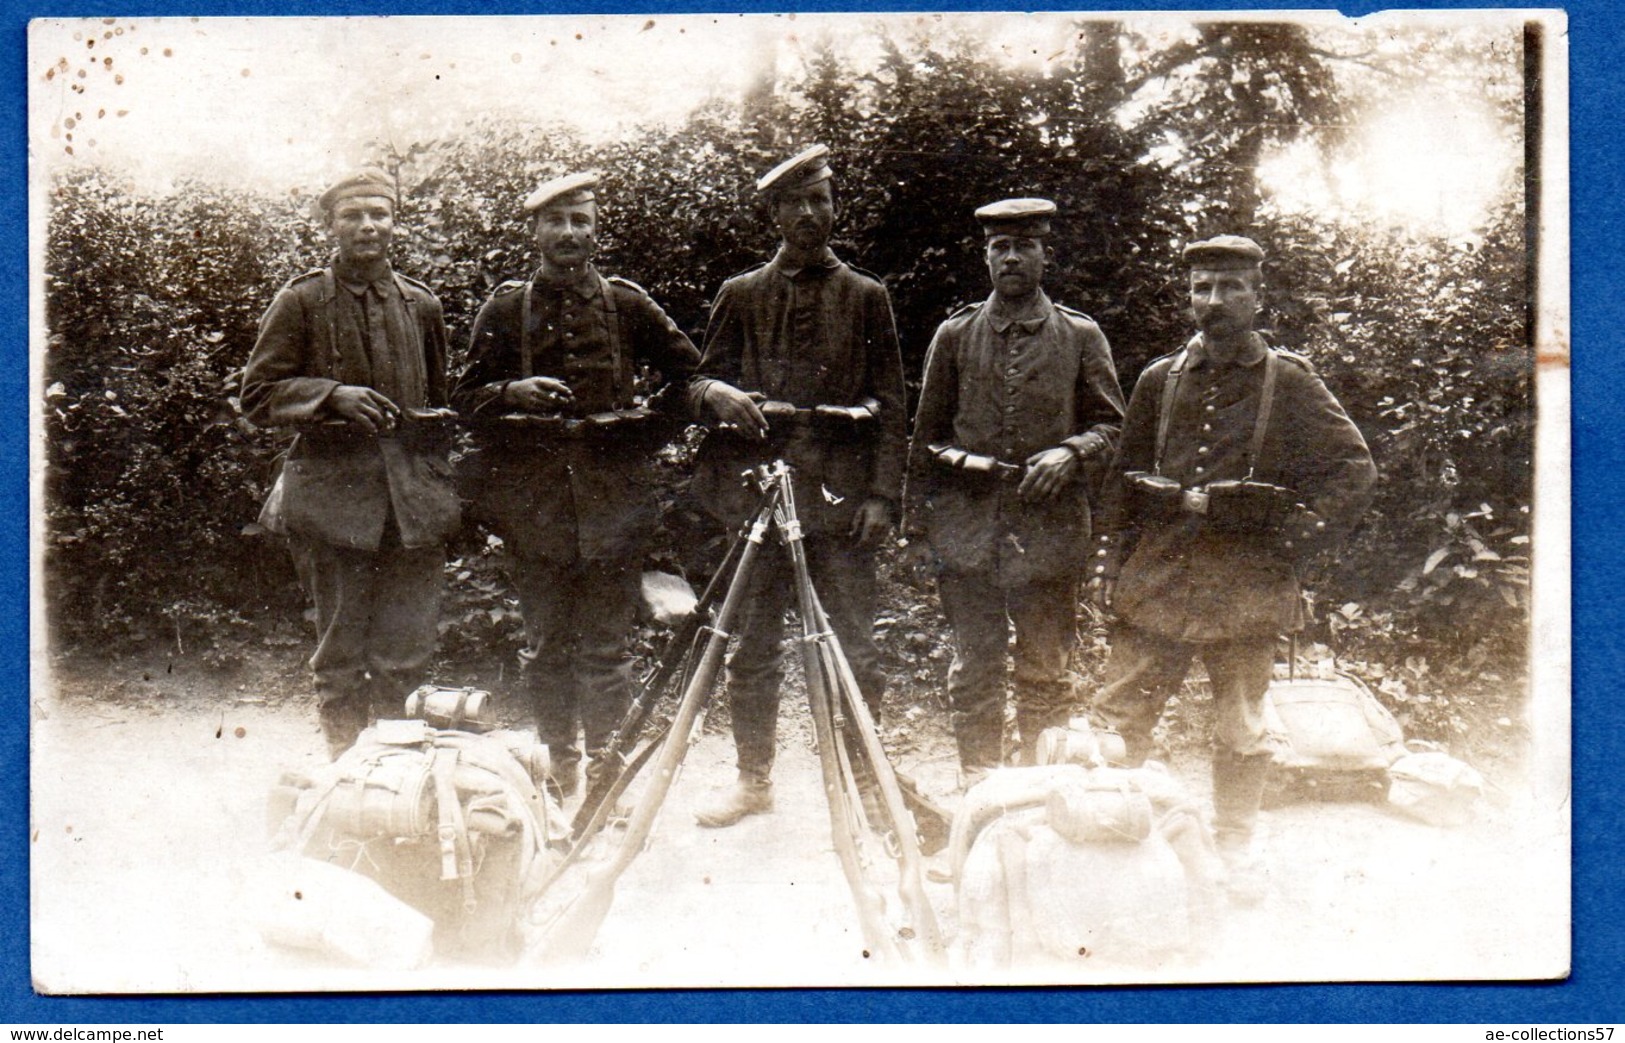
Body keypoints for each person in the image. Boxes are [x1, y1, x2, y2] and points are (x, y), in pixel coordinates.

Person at [1088, 234, 1377, 903]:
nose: (1213, 301)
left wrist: (1293, 538)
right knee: (1117, 715)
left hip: (1245, 583)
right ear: (1187, 296)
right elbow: (1119, 479)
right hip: (1158, 576)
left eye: (1229, 287)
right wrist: (1111, 562)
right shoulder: (1159, 381)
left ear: (1257, 295)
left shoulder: (1289, 380)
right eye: (1201, 288)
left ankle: (1236, 845)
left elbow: (1353, 467)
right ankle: (1108, 836)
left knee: (1241, 727)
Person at [452, 171, 700, 799]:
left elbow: (692, 376)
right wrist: (511, 391)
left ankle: (606, 774)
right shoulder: (508, 308)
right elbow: (461, 400)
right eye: (557, 222)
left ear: (595, 230)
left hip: (613, 501)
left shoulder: (626, 303)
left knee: (607, 651)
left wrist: (644, 430)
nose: (569, 233)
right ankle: (561, 767)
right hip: (532, 504)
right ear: (535, 231)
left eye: (581, 221)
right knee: (545, 647)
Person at [686, 144, 908, 827]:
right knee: (748, 645)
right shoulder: (741, 294)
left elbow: (892, 404)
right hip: (755, 504)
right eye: (796, 203)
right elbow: (696, 383)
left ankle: (863, 780)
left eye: (822, 200)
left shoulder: (866, 296)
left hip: (838, 507)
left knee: (855, 649)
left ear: (834, 209)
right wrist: (718, 393)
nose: (811, 214)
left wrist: (881, 495)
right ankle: (753, 779)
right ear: (776, 214)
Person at [906, 198, 1125, 786]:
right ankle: (980, 788)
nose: (1011, 258)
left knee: (1045, 672)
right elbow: (925, 433)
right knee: (974, 668)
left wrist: (1072, 452)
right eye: (999, 247)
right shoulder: (954, 335)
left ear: (1044, 255)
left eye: (1023, 246)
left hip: (1049, 532)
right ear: (985, 257)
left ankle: (1037, 789)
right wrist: (916, 522)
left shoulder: (1081, 336)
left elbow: (1114, 426)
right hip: (968, 529)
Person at [242, 169, 461, 758]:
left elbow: (439, 402)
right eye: (353, 215)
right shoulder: (301, 301)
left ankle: (395, 782)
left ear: (394, 221)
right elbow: (257, 395)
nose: (368, 226)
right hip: (333, 506)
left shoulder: (421, 304)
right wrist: (331, 394)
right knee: (340, 656)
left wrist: (440, 483)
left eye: (379, 214)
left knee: (408, 657)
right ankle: (346, 780)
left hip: (412, 507)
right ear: (330, 225)